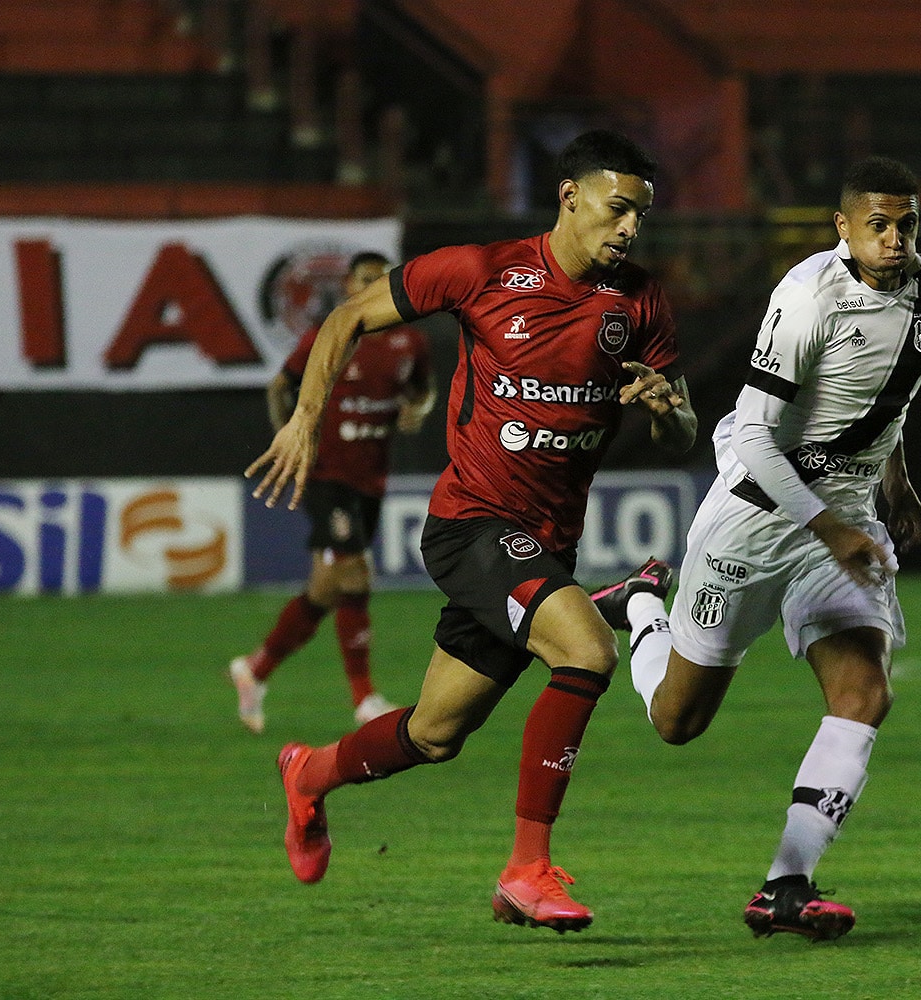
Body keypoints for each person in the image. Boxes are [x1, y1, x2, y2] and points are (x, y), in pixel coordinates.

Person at [245, 129, 697, 933]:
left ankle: (309, 775)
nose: (630, 227)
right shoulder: (484, 271)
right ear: (571, 197)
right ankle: (527, 868)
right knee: (587, 649)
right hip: (473, 525)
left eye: (642, 214)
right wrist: (307, 420)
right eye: (618, 207)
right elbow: (351, 315)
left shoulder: (642, 302)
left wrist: (671, 414)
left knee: (434, 732)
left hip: (547, 543)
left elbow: (681, 432)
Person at [590, 155, 921, 941]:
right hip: (756, 520)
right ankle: (642, 604)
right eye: (878, 225)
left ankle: (786, 886)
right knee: (678, 721)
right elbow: (754, 436)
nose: (895, 239)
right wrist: (830, 526)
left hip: (845, 520)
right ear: (843, 228)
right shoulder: (806, 297)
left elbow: (883, 396)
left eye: (907, 223)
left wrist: (897, 477)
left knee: (864, 694)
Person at [230, 251, 436, 733]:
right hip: (328, 475)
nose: (374, 286)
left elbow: (424, 392)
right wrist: (292, 440)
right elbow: (279, 386)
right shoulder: (333, 336)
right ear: (347, 286)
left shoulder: (409, 342)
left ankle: (255, 670)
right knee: (355, 575)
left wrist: (419, 411)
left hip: (371, 479)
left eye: (383, 279)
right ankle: (364, 699)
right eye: (365, 279)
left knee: (326, 588)